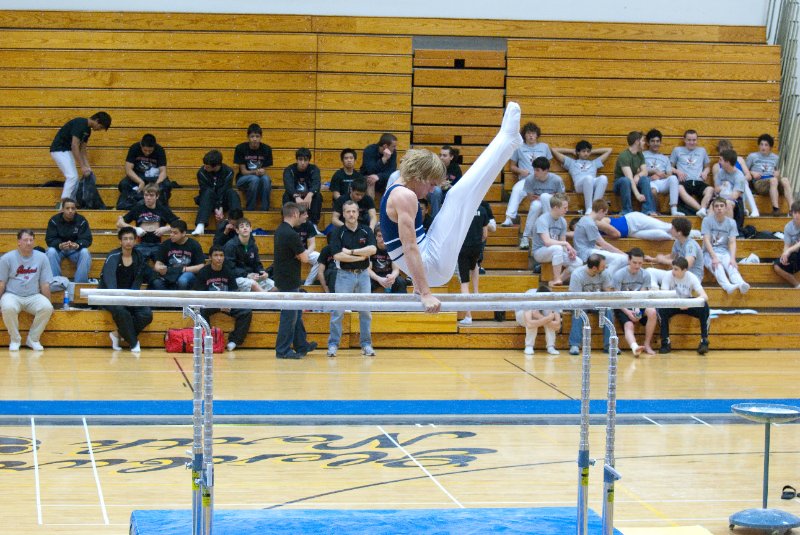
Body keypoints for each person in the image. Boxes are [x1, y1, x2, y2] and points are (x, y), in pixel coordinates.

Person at [380, 102, 523, 313]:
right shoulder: (404, 196)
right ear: (419, 176)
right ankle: (508, 140)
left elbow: (408, 247)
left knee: (459, 197)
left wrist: (419, 284)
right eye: (431, 185)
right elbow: (409, 246)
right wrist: (425, 291)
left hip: (427, 260)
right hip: (432, 265)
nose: (430, 192)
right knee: (458, 197)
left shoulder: (396, 186)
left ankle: (508, 140)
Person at [327, 200, 378, 357]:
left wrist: (351, 252)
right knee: (338, 312)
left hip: (363, 275)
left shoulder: (366, 230)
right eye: (348, 211)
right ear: (343, 214)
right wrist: (360, 257)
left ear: (358, 213)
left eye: (353, 211)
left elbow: (373, 249)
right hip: (344, 276)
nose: (351, 214)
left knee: (366, 312)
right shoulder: (337, 232)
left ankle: (366, 345)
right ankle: (333, 345)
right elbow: (337, 255)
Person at [273, 203, 317, 359]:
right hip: (288, 280)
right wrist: (305, 251)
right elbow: (305, 258)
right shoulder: (291, 234)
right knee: (289, 317)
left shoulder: (280, 230)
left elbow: (300, 256)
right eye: (299, 214)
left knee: (296, 314)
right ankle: (282, 350)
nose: (301, 217)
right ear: (294, 215)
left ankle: (301, 344)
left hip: (285, 277)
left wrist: (301, 253)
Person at [100, 227, 154, 353]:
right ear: (120, 241)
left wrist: (131, 298)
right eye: (125, 239)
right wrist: (119, 299)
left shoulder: (139, 256)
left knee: (146, 314)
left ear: (135, 241)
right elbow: (109, 281)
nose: (128, 241)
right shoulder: (113, 256)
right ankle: (134, 343)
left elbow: (138, 280)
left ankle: (117, 334)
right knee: (121, 311)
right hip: (111, 296)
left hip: (129, 295)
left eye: (131, 239)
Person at [0, 229, 54, 351]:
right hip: (12, 294)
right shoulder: (6, 258)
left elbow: (45, 284)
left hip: (33, 295)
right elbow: (1, 283)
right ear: (19, 242)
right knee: (7, 307)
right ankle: (15, 339)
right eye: (25, 240)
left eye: (31, 240)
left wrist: (49, 302)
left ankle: (33, 339)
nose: (29, 243)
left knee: (47, 307)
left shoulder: (42, 258)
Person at [194, 244, 252, 352]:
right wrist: (218, 306)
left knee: (246, 312)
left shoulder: (228, 271)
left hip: (226, 303)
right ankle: (207, 339)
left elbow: (234, 292)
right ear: (210, 257)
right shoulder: (203, 272)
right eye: (216, 255)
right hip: (209, 304)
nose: (219, 258)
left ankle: (234, 341)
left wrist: (228, 303)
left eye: (221, 255)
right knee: (201, 311)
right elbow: (200, 296)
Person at [49, 111, 111, 204]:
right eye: (100, 127)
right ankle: (64, 203)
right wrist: (82, 166)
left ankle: (71, 202)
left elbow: (83, 150)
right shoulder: (80, 123)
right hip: (59, 150)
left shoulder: (88, 130)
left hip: (66, 151)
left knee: (75, 178)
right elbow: (75, 146)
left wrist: (87, 167)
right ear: (97, 121)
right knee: (72, 177)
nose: (99, 130)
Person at [502, 122, 552, 227]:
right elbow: (512, 166)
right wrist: (521, 171)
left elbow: (548, 165)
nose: (531, 135)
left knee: (545, 199)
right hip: (526, 180)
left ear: (537, 135)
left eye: (533, 133)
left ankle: (549, 221)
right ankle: (509, 218)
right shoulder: (519, 147)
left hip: (541, 180)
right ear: (524, 135)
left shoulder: (544, 147)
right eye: (528, 133)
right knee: (516, 190)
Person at [658, 257, 710, 355]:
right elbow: (663, 296)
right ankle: (665, 342)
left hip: (688, 302)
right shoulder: (668, 275)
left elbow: (704, 296)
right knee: (661, 308)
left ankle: (704, 341)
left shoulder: (691, 277)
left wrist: (689, 303)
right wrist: (678, 303)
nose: (673, 271)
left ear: (684, 270)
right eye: (673, 268)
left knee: (704, 306)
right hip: (673, 302)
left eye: (676, 269)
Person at [612, 248, 657, 356]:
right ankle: (634, 347)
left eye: (640, 263)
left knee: (652, 312)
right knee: (629, 325)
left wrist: (637, 310)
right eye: (634, 262)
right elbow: (617, 298)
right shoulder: (619, 274)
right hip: (623, 305)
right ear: (629, 260)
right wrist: (628, 312)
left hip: (638, 302)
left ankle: (647, 344)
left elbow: (642, 295)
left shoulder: (645, 275)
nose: (637, 266)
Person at [117, 183, 180, 261]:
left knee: (162, 264)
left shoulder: (163, 209)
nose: (148, 198)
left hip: (158, 245)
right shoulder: (138, 208)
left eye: (151, 195)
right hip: (141, 244)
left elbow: (180, 223)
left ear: (157, 196)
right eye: (146, 195)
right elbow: (120, 222)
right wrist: (135, 229)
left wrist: (166, 228)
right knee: (136, 264)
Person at [567, 254, 614, 355]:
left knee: (608, 310)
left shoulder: (604, 273)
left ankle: (609, 345)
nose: (605, 268)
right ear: (594, 268)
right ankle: (575, 344)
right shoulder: (577, 274)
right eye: (602, 266)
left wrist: (608, 291)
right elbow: (575, 298)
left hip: (597, 302)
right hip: (581, 303)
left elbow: (608, 291)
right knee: (578, 311)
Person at [702, 196, 750, 295]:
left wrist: (732, 258)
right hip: (708, 252)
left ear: (726, 208)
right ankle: (727, 286)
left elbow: (732, 242)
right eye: (716, 206)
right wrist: (714, 257)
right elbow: (706, 240)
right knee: (717, 266)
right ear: (713, 208)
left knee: (731, 265)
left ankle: (741, 284)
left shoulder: (731, 222)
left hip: (724, 252)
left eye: (721, 206)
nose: (719, 208)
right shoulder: (707, 221)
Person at [532, 193, 581, 287]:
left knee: (578, 262)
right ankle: (556, 278)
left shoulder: (562, 221)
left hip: (554, 250)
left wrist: (568, 252)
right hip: (539, 251)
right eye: (564, 207)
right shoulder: (543, 220)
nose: (567, 210)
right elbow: (547, 242)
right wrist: (565, 243)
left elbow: (562, 244)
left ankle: (557, 281)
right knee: (557, 248)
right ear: (555, 207)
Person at [551, 140, 611, 214]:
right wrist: (572, 151)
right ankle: (589, 208)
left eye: (588, 151)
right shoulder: (572, 162)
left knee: (603, 178)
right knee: (588, 178)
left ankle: (595, 207)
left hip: (591, 184)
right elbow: (554, 150)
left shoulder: (594, 163)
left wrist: (591, 151)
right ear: (578, 152)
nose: (586, 153)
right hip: (580, 185)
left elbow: (609, 150)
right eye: (583, 151)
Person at [519, 157, 566, 250]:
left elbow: (561, 197)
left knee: (545, 196)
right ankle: (525, 237)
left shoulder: (557, 179)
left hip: (553, 206)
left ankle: (548, 229)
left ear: (546, 170)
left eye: (537, 170)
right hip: (538, 205)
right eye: (534, 170)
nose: (535, 172)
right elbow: (530, 197)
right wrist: (542, 198)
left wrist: (545, 197)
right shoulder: (529, 179)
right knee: (536, 205)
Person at [571, 199, 629, 275]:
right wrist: (623, 254)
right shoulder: (589, 223)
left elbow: (593, 243)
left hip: (586, 251)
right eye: (605, 213)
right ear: (601, 211)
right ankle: (606, 279)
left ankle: (606, 277)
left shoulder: (585, 219)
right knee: (623, 258)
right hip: (585, 254)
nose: (604, 216)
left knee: (615, 259)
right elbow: (603, 244)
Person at [456, 201, 490, 326]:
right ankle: (476, 292)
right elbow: (485, 234)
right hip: (477, 247)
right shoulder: (482, 209)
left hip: (463, 248)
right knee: (474, 264)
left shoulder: (460, 210)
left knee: (464, 283)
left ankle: (468, 316)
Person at [646, 216, 704, 288]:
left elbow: (686, 264)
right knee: (649, 271)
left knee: (666, 278)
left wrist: (664, 260)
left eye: (673, 228)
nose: (670, 229)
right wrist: (653, 259)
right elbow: (671, 257)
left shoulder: (690, 245)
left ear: (679, 232)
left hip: (692, 278)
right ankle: (654, 290)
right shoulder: (677, 242)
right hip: (679, 275)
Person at [192, 150, 240, 236]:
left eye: (207, 167)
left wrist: (220, 207)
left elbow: (225, 189)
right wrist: (216, 208)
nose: (205, 168)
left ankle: (237, 223)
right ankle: (200, 225)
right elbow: (204, 190)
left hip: (223, 200)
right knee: (207, 192)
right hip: (207, 201)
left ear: (217, 166)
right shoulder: (201, 172)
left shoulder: (229, 172)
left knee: (232, 193)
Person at [45, 198, 92, 283]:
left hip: (75, 250)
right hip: (59, 250)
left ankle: (79, 284)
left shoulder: (82, 220)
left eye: (73, 208)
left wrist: (77, 245)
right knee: (50, 251)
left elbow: (87, 239)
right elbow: (49, 239)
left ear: (75, 209)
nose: (70, 211)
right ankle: (56, 282)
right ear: (62, 209)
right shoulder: (54, 220)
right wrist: (60, 245)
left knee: (85, 252)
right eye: (67, 208)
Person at [117, 133, 171, 209]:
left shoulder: (160, 150)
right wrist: (140, 181)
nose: (147, 153)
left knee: (166, 185)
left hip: (153, 177)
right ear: (141, 146)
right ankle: (127, 205)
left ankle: (161, 207)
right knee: (124, 184)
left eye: (150, 151)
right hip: (137, 175)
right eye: (145, 150)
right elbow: (128, 169)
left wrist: (156, 185)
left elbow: (163, 172)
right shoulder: (134, 148)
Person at [746, 133, 794, 215]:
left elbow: (778, 172)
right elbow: (744, 170)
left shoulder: (776, 158)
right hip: (760, 182)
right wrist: (751, 172)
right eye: (761, 144)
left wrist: (778, 173)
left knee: (785, 180)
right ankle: (776, 209)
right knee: (774, 180)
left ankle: (792, 209)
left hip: (773, 181)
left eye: (766, 145)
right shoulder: (752, 156)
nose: (763, 147)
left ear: (770, 147)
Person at [150, 220, 205, 291]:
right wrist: (160, 268)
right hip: (170, 273)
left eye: (175, 233)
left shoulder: (194, 245)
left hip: (187, 273)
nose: (171, 235)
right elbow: (157, 264)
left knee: (182, 281)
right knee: (156, 282)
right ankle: (168, 301)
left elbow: (201, 266)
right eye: (171, 232)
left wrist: (183, 269)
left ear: (184, 233)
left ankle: (181, 302)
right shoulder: (165, 244)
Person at [223, 218, 272, 292]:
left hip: (251, 276)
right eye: (242, 226)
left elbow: (257, 264)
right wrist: (247, 275)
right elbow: (230, 268)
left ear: (251, 229)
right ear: (237, 230)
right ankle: (269, 302)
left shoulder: (253, 245)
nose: (245, 228)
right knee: (253, 284)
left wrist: (263, 272)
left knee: (272, 284)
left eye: (247, 226)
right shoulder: (230, 245)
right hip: (235, 278)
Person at [671, 130, 713, 216]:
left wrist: (705, 172)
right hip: (685, 181)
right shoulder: (677, 150)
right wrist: (677, 171)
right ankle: (701, 210)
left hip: (698, 181)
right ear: (684, 140)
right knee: (678, 188)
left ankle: (703, 209)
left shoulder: (702, 151)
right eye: (689, 140)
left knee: (710, 189)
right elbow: (669, 167)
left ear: (697, 140)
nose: (692, 142)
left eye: (694, 140)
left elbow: (708, 167)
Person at [643, 129, 684, 216]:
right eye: (653, 141)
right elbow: (639, 171)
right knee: (653, 191)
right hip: (649, 181)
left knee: (673, 178)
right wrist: (651, 175)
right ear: (648, 143)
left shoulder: (665, 158)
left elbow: (669, 175)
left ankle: (674, 210)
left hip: (662, 181)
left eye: (657, 141)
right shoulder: (643, 155)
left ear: (660, 142)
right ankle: (657, 211)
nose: (655, 143)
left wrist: (661, 176)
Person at [613, 131, 656, 215]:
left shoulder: (640, 154)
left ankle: (647, 210)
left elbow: (645, 172)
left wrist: (637, 175)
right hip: (620, 184)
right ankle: (627, 210)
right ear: (637, 142)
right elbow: (629, 178)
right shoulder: (624, 156)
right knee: (626, 180)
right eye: (643, 140)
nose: (644, 143)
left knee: (644, 179)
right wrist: (637, 195)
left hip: (632, 181)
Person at [233, 123, 273, 212]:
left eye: (257, 136)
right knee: (254, 179)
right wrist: (256, 172)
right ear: (248, 137)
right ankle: (250, 209)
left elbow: (264, 169)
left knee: (266, 179)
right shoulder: (240, 148)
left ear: (261, 137)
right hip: (242, 179)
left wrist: (262, 171)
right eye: (252, 136)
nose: (255, 139)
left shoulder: (266, 149)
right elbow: (243, 171)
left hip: (259, 178)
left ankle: (265, 210)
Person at [713, 139, 757, 218]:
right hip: (727, 190)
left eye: (727, 151)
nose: (725, 154)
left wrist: (737, 181)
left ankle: (754, 209)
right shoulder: (716, 166)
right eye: (722, 153)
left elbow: (749, 176)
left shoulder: (739, 159)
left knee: (744, 184)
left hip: (740, 185)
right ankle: (742, 208)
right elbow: (717, 186)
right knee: (728, 185)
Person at [282, 147, 323, 231]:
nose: (303, 163)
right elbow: (288, 185)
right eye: (300, 159)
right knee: (286, 196)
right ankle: (288, 224)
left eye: (305, 160)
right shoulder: (289, 170)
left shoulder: (314, 169)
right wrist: (296, 196)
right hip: (295, 197)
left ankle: (313, 224)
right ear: (296, 160)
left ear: (309, 161)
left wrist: (310, 194)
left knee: (318, 196)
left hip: (308, 198)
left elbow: (316, 183)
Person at [515, 286, 561, 356]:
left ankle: (551, 346)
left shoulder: (553, 299)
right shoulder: (530, 297)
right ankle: (529, 346)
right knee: (534, 317)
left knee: (549, 315)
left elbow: (557, 326)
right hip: (521, 315)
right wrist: (547, 319)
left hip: (539, 315)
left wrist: (541, 317)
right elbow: (529, 324)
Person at [368, 225, 408, 293]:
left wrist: (392, 277)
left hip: (389, 275)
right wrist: (379, 279)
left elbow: (396, 269)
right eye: (380, 236)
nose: (382, 238)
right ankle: (369, 304)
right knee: (367, 283)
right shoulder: (372, 248)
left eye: (384, 235)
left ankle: (401, 303)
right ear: (375, 237)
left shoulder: (393, 248)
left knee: (401, 282)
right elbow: (368, 270)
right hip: (375, 276)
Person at [428, 145, 463, 219]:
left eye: (444, 155)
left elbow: (459, 187)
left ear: (451, 157)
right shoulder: (434, 166)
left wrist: (448, 186)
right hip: (433, 193)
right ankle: (435, 219)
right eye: (440, 155)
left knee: (452, 193)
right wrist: (439, 185)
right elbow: (427, 184)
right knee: (437, 191)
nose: (441, 158)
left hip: (447, 193)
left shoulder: (456, 169)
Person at [713, 149, 747, 222]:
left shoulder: (739, 175)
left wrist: (722, 199)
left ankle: (728, 229)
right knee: (713, 205)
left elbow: (734, 196)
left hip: (735, 201)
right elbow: (716, 189)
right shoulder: (720, 172)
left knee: (726, 204)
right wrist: (721, 188)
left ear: (727, 162)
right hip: (721, 197)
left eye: (721, 160)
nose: (719, 162)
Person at [361, 133, 397, 199]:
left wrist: (379, 176)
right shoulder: (369, 150)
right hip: (367, 177)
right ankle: (371, 207)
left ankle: (390, 207)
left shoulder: (393, 153)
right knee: (370, 180)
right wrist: (383, 159)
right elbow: (371, 171)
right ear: (385, 146)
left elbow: (392, 171)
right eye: (393, 146)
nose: (395, 148)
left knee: (396, 180)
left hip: (383, 178)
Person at [773, 200, 800, 288]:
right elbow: (787, 245)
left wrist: (788, 251)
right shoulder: (788, 227)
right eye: (795, 212)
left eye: (799, 213)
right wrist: (785, 255)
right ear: (792, 213)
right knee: (777, 266)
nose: (797, 215)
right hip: (795, 254)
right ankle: (797, 285)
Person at [294, 205, 320, 286]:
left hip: (304, 252)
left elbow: (312, 244)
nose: (307, 216)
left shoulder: (308, 224)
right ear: (297, 216)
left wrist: (307, 253)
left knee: (319, 257)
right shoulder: (289, 226)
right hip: (290, 253)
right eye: (304, 214)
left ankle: (307, 284)